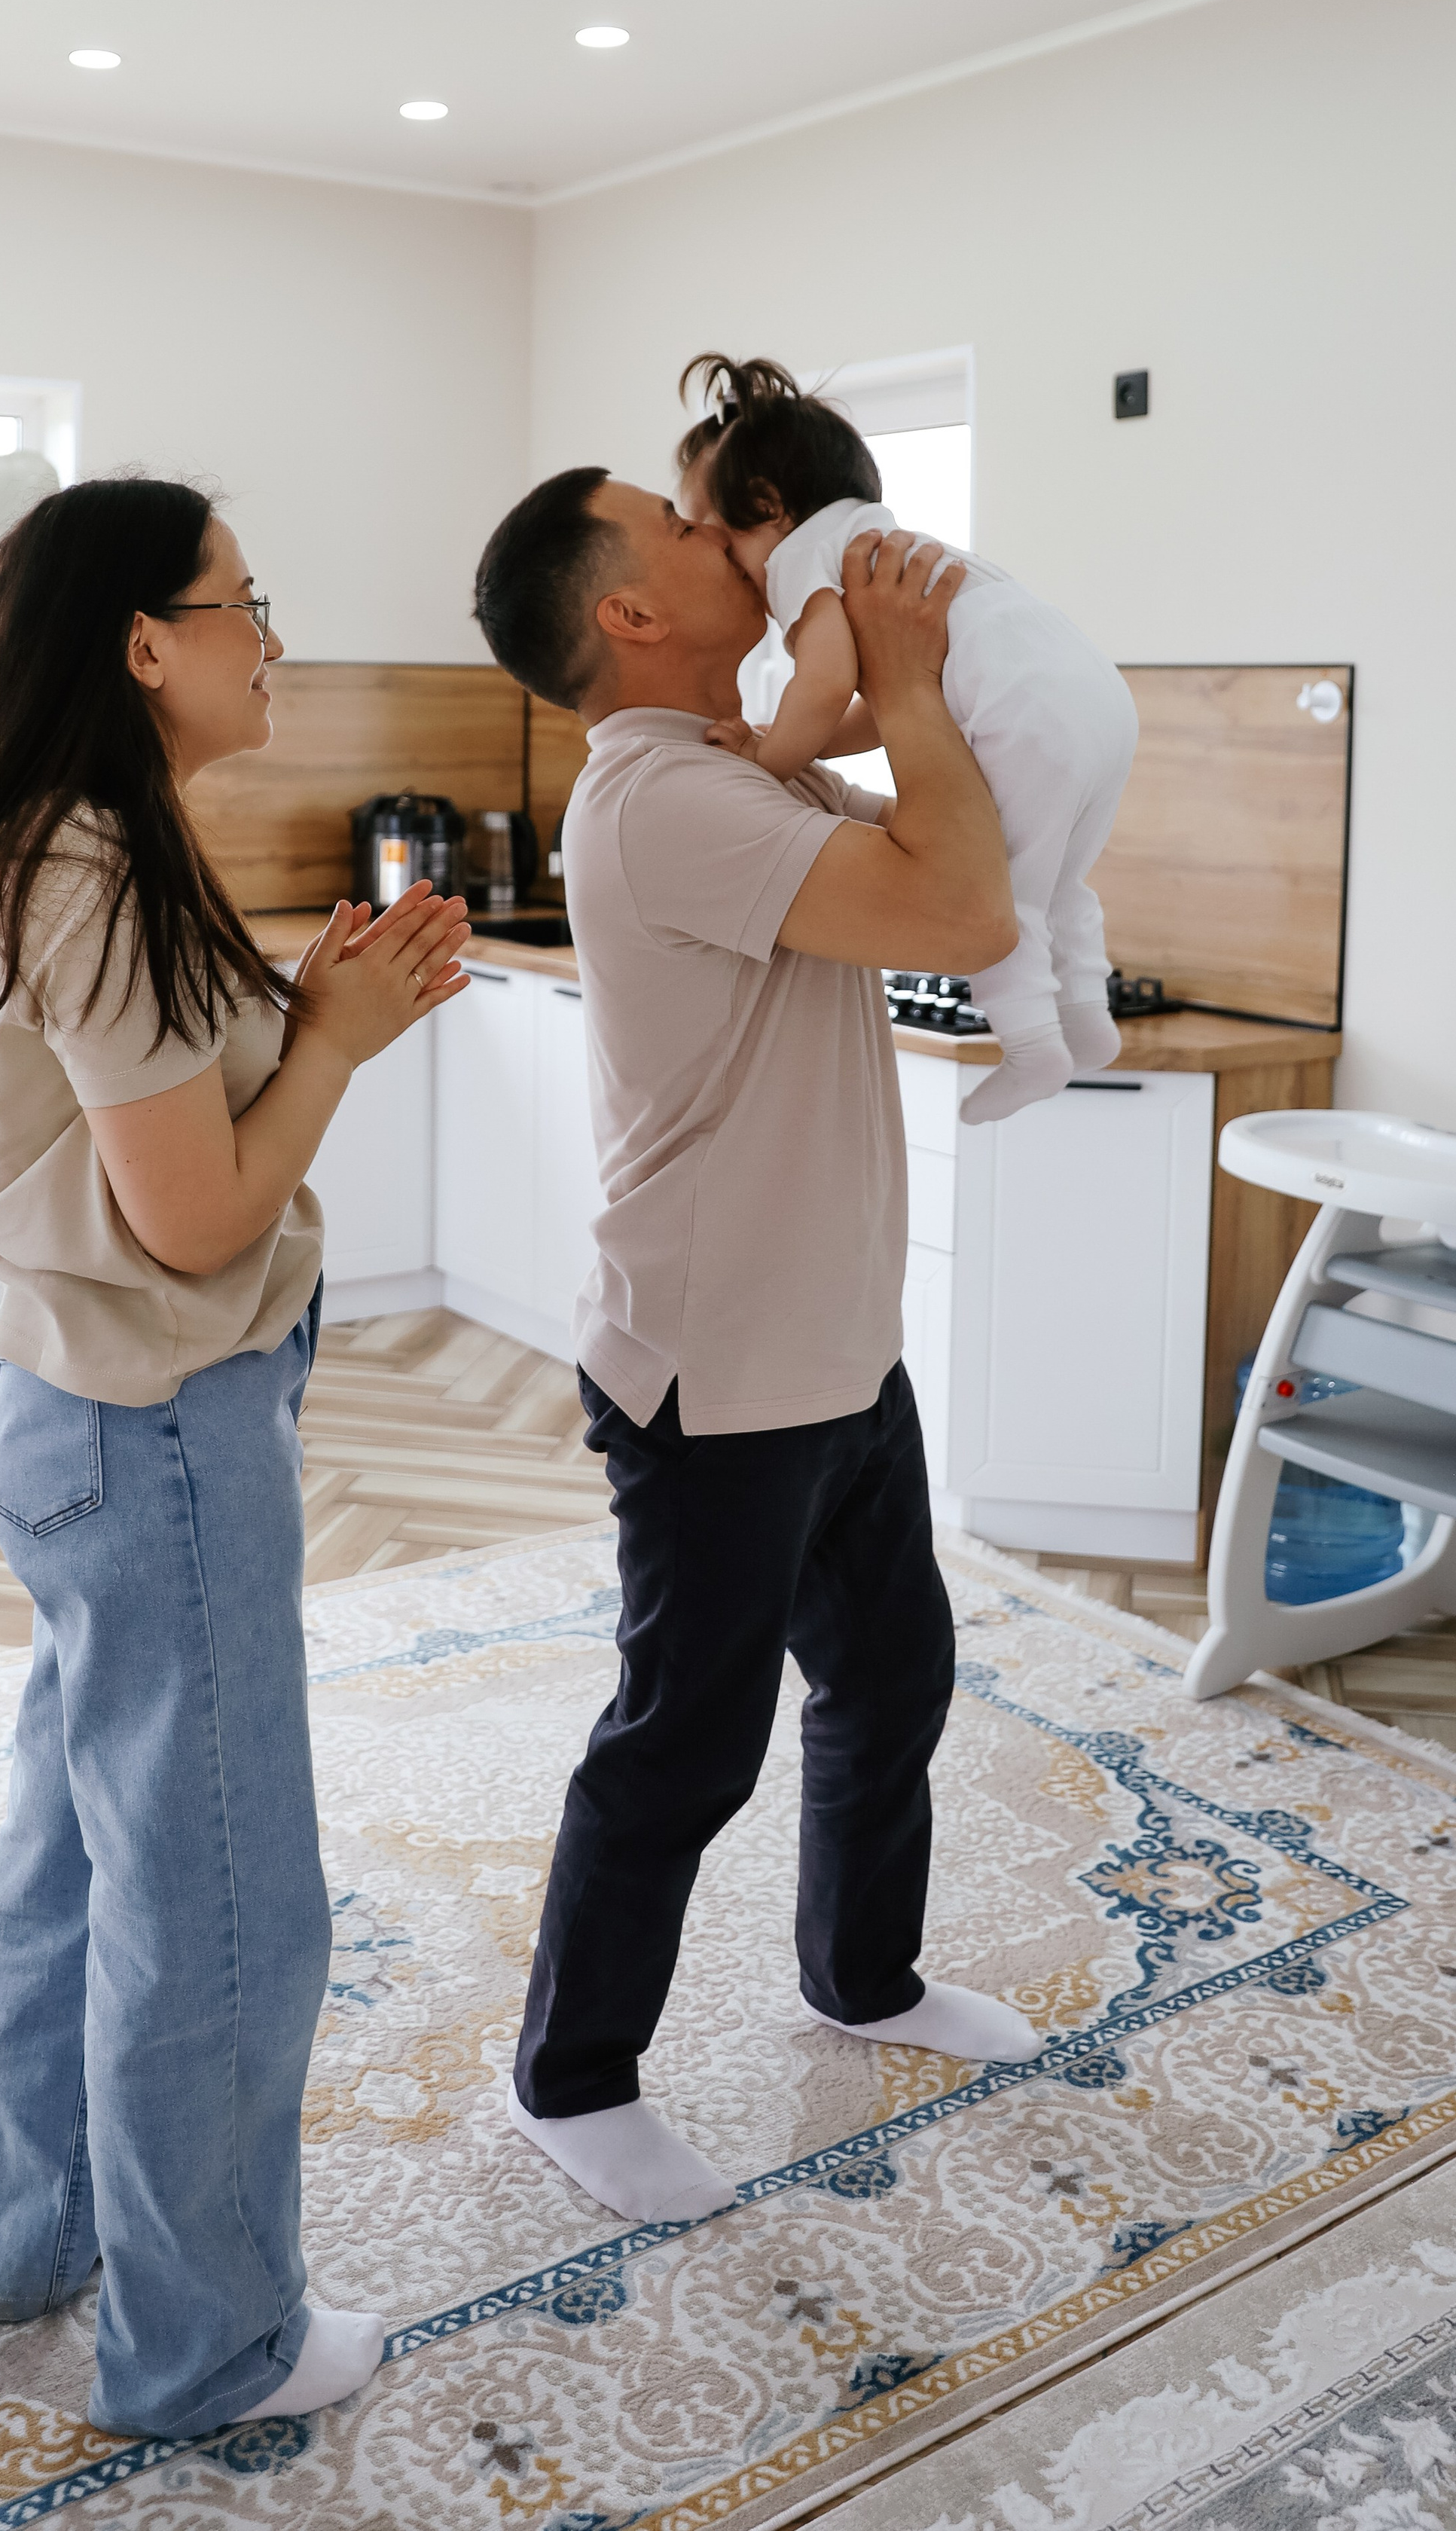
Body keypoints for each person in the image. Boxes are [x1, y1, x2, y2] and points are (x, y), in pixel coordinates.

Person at [0, 476, 470, 2436]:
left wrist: (310, 1014)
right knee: (222, 1898)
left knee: (83, 1848)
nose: (272, 634)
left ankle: (15, 2232)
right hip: (155, 1437)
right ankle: (212, 2344)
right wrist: (340, 1034)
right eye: (246, 601)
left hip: (80, 1421)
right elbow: (199, 1217)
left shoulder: (65, 839)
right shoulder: (97, 868)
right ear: (145, 642)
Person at [469, 467, 1040, 2229]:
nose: (721, 532)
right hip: (715, 1371)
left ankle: (859, 1980)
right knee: (681, 1744)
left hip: (831, 1350)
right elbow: (962, 912)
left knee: (890, 1681)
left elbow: (848, 714)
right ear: (626, 613)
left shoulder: (727, 761)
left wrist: (877, 642)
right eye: (678, 519)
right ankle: (570, 2078)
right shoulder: (662, 801)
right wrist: (909, 679)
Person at [676, 356, 1139, 1124]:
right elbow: (887, 701)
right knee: (1060, 882)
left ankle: (1032, 1049)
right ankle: (1087, 1021)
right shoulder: (877, 539)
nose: (726, 565)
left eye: (716, 540)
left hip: (1023, 714)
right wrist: (806, 742)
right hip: (1092, 700)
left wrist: (769, 757)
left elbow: (822, 687)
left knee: (1008, 890)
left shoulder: (796, 559)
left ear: (765, 506)